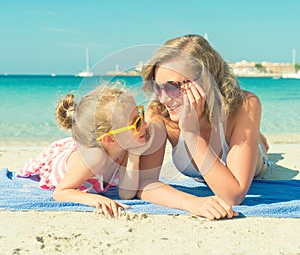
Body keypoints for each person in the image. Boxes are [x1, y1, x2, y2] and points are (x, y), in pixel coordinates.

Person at [138, 34, 271, 220]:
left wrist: (192, 135)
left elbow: (233, 195)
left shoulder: (244, 105)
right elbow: (145, 182)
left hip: (258, 161)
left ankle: (260, 141)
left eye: (172, 87)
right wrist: (191, 203)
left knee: (259, 149)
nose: (163, 98)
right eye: (157, 87)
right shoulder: (159, 112)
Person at [17, 85, 163, 217]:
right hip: (64, 161)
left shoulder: (123, 147)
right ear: (110, 139)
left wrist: (134, 154)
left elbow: (126, 194)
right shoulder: (95, 157)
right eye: (136, 123)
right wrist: (94, 199)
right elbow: (60, 192)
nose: (145, 124)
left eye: (140, 114)